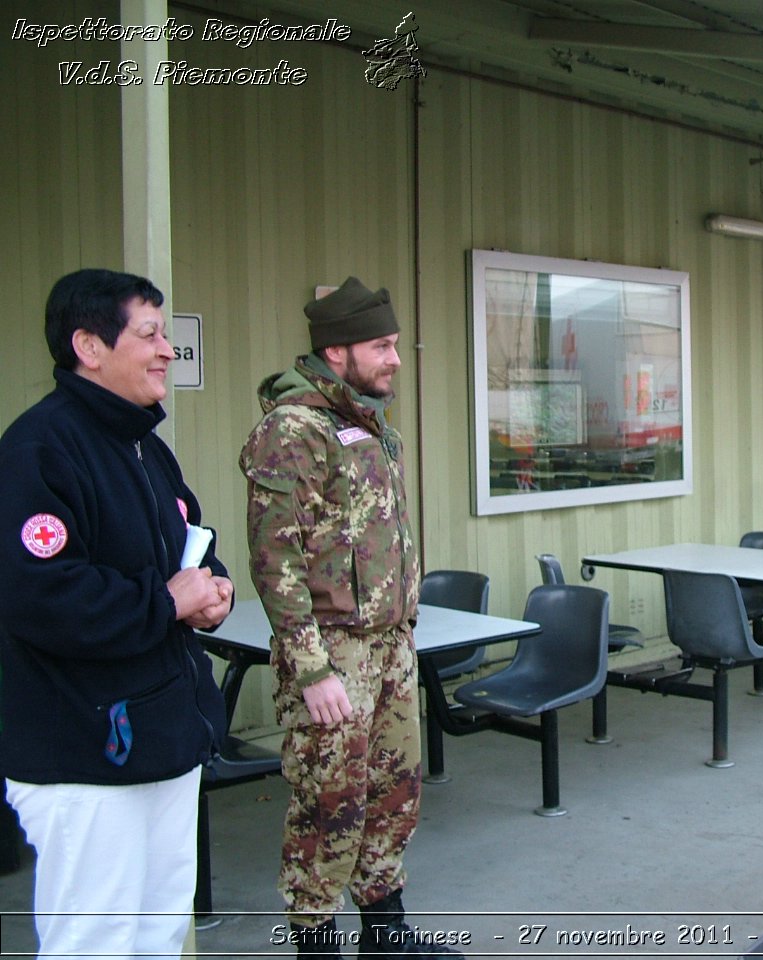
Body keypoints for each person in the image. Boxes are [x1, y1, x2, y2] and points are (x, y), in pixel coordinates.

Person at [0, 268, 233, 959]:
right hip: (82, 757)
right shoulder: (38, 451)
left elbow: (193, 547)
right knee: (94, 944)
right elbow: (43, 598)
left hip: (164, 744)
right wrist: (167, 602)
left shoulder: (144, 449)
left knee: (160, 934)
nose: (168, 349)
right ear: (89, 346)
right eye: (150, 334)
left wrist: (210, 592)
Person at [240, 277, 442, 958]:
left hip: (389, 648)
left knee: (392, 794)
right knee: (331, 808)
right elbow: (277, 561)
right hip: (333, 656)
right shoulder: (293, 429)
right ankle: (317, 950)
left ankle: (388, 941)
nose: (395, 358)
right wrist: (311, 668)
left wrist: (403, 635)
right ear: (336, 350)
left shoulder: (371, 425)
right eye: (382, 345)